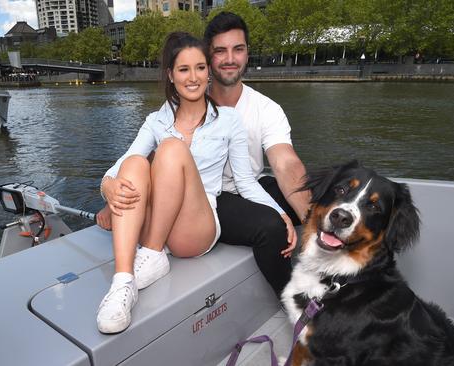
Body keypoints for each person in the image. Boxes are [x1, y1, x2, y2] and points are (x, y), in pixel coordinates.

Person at [96, 32, 295, 334]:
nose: (193, 77)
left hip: (194, 227)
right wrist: (107, 186)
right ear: (170, 75)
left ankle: (150, 253)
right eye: (184, 69)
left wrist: (279, 213)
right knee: (134, 163)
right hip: (157, 222)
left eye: (200, 68)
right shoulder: (155, 120)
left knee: (172, 148)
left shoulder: (228, 120)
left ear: (208, 73)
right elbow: (121, 164)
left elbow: (245, 181)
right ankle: (123, 283)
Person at [204, 12, 310, 297]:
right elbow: (155, 156)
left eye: (237, 49)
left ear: (247, 54)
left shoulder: (266, 108)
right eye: (220, 51)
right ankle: (300, 308)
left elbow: (285, 162)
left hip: (250, 189)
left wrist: (313, 226)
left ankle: (342, 284)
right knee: (271, 227)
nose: (230, 59)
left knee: (324, 199)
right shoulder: (190, 104)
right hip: (210, 200)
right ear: (208, 56)